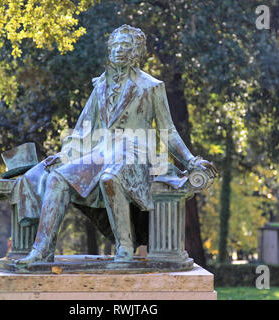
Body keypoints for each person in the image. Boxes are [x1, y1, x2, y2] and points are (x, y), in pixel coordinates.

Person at [13, 25, 217, 265]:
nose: (119, 50)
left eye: (126, 45)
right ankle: (42, 250)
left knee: (111, 177)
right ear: (109, 50)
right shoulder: (100, 85)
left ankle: (125, 247)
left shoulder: (151, 86)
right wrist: (67, 154)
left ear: (136, 51)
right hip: (102, 152)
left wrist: (191, 160)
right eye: (116, 45)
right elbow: (83, 129)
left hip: (136, 153)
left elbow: (168, 130)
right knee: (57, 177)